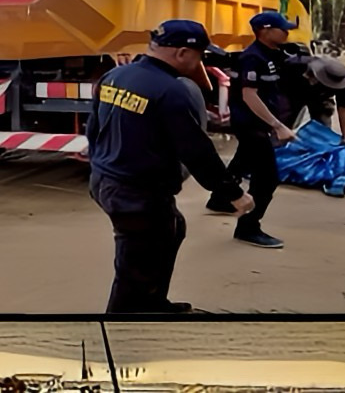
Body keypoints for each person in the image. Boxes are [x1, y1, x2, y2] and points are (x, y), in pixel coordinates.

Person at [86, 20, 255, 313]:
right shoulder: (171, 91)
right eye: (200, 55)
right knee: (134, 267)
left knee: (172, 230)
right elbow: (196, 151)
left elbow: (93, 129)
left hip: (106, 181)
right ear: (181, 54)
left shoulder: (115, 76)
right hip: (136, 194)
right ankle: (118, 332)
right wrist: (233, 193)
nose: (200, 62)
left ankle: (153, 303)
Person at [205, 11, 297, 249]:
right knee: (267, 179)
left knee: (242, 160)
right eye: (282, 28)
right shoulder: (252, 58)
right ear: (265, 31)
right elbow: (249, 96)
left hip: (258, 124)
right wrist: (278, 126)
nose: (287, 32)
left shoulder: (271, 54)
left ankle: (220, 198)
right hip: (251, 125)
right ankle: (248, 227)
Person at [282, 55, 345, 154]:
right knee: (283, 126)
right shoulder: (295, 65)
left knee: (322, 130)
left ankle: (318, 153)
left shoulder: (342, 81)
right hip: (291, 94)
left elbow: (344, 108)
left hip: (321, 99)